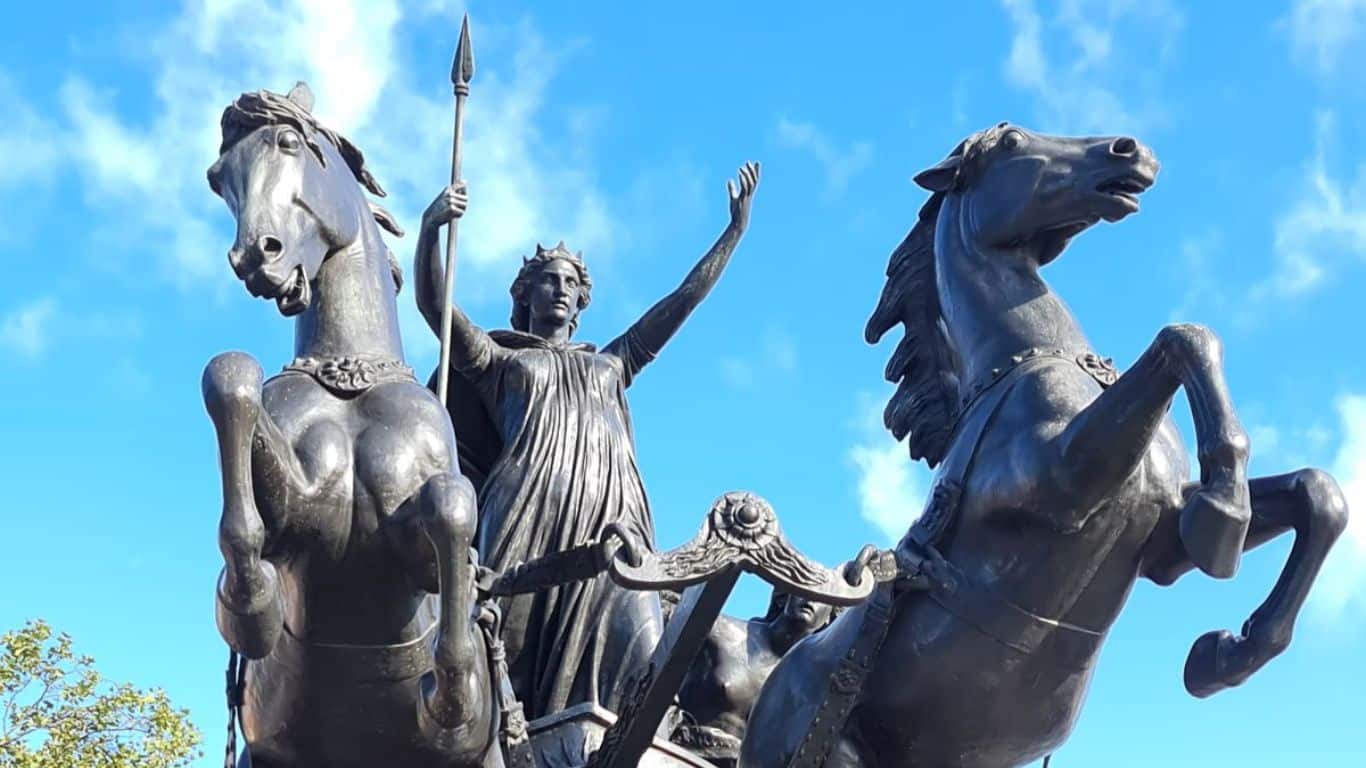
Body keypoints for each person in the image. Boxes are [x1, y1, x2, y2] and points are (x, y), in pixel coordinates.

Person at [414, 162, 761, 720]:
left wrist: (734, 234)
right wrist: (431, 229)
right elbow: (437, 308)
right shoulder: (501, 362)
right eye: (550, 280)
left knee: (639, 663)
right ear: (525, 294)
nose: (561, 289)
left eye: (572, 284)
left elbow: (682, 301)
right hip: (526, 519)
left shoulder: (613, 363)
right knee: (498, 662)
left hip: (611, 524)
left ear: (581, 304)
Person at [673, 590, 838, 767]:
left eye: (824, 598)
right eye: (808, 590)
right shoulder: (720, 631)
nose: (812, 599)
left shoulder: (807, 690)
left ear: (828, 620)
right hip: (678, 756)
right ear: (783, 598)